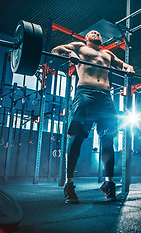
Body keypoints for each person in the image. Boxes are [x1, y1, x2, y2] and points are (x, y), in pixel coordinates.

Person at [51, 30, 135, 203]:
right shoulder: (80, 47)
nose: (96, 32)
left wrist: (129, 68)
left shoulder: (108, 54)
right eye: (92, 32)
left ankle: (108, 184)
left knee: (108, 139)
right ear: (86, 38)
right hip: (85, 93)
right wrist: (70, 53)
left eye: (98, 32)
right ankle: (69, 184)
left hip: (105, 96)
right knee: (77, 137)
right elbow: (56, 50)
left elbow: (122, 65)